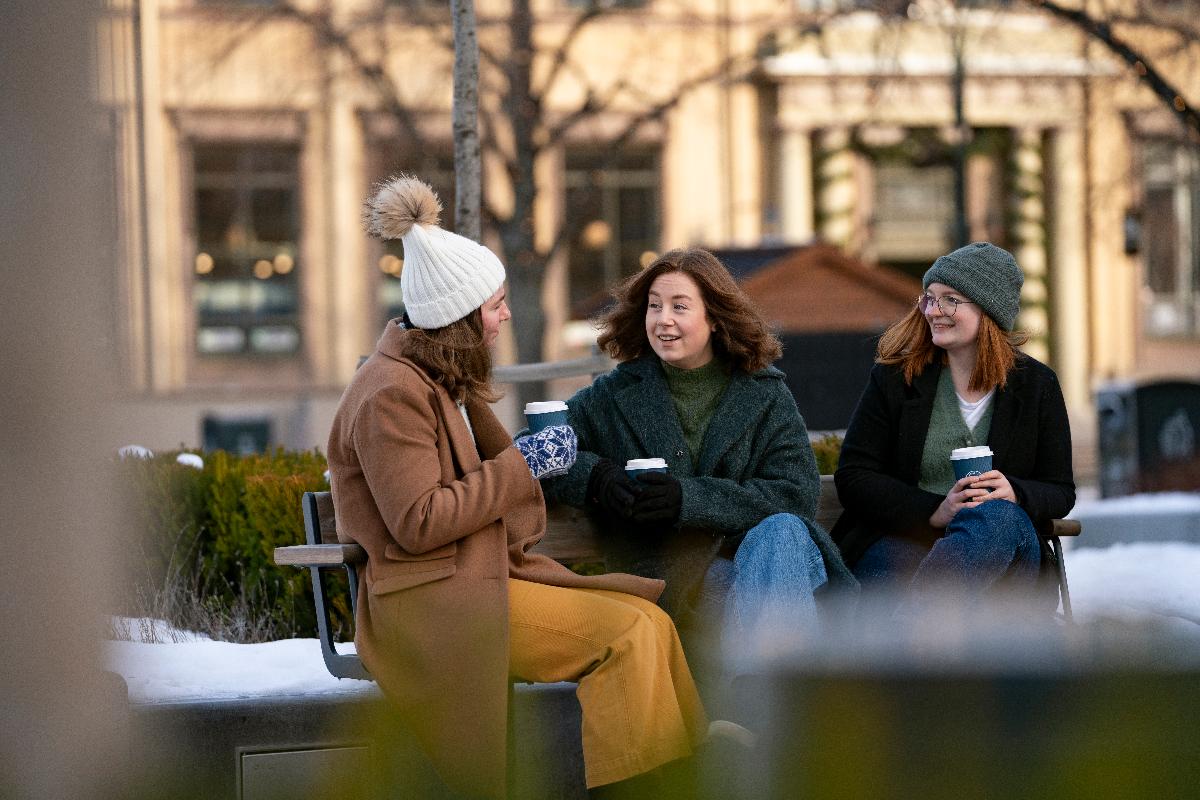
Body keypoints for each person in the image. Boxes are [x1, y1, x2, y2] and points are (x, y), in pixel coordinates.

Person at [327, 176, 707, 799]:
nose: (506, 313)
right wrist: (524, 463)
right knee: (630, 634)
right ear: (460, 316)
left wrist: (539, 465)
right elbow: (418, 521)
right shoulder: (391, 394)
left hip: (477, 582)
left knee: (652, 621)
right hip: (434, 605)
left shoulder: (435, 379)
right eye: (496, 303)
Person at [543, 248, 855, 670]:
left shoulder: (764, 394)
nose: (662, 319)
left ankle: (752, 714)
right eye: (654, 306)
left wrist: (690, 501)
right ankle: (772, 721)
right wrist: (596, 478)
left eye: (679, 306)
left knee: (781, 532)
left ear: (714, 317)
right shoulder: (613, 396)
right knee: (745, 593)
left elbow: (795, 495)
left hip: (771, 567)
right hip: (673, 583)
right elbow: (536, 449)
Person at [832, 242, 1076, 610]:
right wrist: (934, 511)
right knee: (890, 569)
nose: (934, 311)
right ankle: (924, 627)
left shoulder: (1037, 386)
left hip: (1002, 549)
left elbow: (1060, 490)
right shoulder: (896, 380)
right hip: (907, 539)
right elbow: (855, 476)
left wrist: (1015, 493)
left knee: (995, 516)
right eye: (929, 298)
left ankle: (917, 620)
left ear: (988, 309)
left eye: (950, 300)